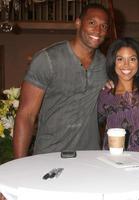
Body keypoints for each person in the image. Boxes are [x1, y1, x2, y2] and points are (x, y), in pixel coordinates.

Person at [12, 3, 110, 158]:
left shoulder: (105, 65)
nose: (98, 30)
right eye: (92, 23)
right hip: (49, 155)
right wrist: (19, 164)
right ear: (78, 23)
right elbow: (26, 115)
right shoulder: (48, 59)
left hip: (90, 157)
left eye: (103, 26)